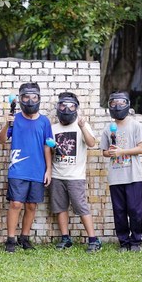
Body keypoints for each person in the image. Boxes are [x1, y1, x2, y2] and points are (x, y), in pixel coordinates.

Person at [0, 82, 52, 253]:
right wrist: (7, 124)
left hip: (37, 170)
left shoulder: (44, 121)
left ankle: (25, 238)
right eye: (26, 97)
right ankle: (11, 240)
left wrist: (48, 169)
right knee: (15, 204)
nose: (30, 100)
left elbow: (47, 146)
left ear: (38, 98)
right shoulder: (15, 119)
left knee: (31, 206)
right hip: (18, 169)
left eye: (33, 97)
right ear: (20, 99)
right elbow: (1, 140)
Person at [49, 92, 102, 253]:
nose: (66, 109)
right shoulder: (53, 128)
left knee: (81, 207)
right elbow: (50, 152)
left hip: (75, 177)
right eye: (62, 106)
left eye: (70, 106)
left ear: (76, 108)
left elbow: (92, 143)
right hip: (57, 175)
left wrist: (82, 126)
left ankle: (93, 239)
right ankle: (65, 238)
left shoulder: (82, 125)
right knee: (60, 208)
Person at [100, 92, 142, 252]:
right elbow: (104, 152)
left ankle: (136, 241)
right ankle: (124, 242)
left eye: (121, 103)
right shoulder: (108, 129)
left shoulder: (135, 125)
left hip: (133, 176)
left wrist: (122, 152)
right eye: (114, 103)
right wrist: (112, 153)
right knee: (119, 211)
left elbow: (141, 148)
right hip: (115, 177)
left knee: (135, 210)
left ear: (127, 104)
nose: (117, 106)